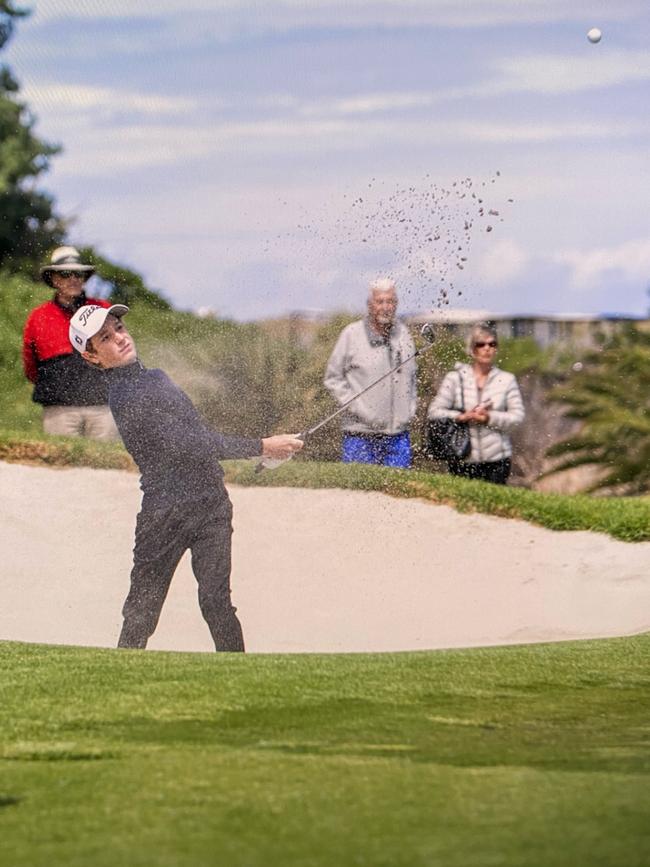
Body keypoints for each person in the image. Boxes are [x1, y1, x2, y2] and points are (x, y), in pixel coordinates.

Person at [68, 303, 303, 651]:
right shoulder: (126, 396)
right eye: (105, 337)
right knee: (141, 614)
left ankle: (240, 681)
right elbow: (187, 445)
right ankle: (119, 681)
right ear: (92, 357)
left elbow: (199, 436)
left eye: (118, 327)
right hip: (165, 514)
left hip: (211, 504)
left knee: (216, 602)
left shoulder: (156, 378)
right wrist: (262, 446)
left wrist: (260, 450)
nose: (120, 337)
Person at [22, 246, 119, 439]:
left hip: (103, 409)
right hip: (59, 410)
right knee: (62, 464)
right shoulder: (39, 317)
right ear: (54, 279)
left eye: (78, 274)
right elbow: (31, 366)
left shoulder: (103, 309)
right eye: (66, 274)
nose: (73, 279)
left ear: (84, 278)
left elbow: (121, 350)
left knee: (106, 464)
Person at [323, 278, 417, 467]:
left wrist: (410, 410)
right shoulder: (351, 334)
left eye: (390, 301)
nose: (385, 307)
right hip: (360, 434)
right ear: (369, 304)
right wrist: (360, 409)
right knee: (357, 491)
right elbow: (332, 379)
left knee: (399, 491)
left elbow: (412, 378)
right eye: (380, 301)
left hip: (398, 436)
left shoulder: (404, 334)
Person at [427, 321, 525, 484]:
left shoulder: (507, 380)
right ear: (472, 349)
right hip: (462, 456)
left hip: (497, 460)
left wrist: (489, 418)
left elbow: (517, 418)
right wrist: (461, 416)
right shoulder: (455, 378)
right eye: (481, 344)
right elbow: (434, 412)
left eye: (492, 344)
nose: (487, 348)